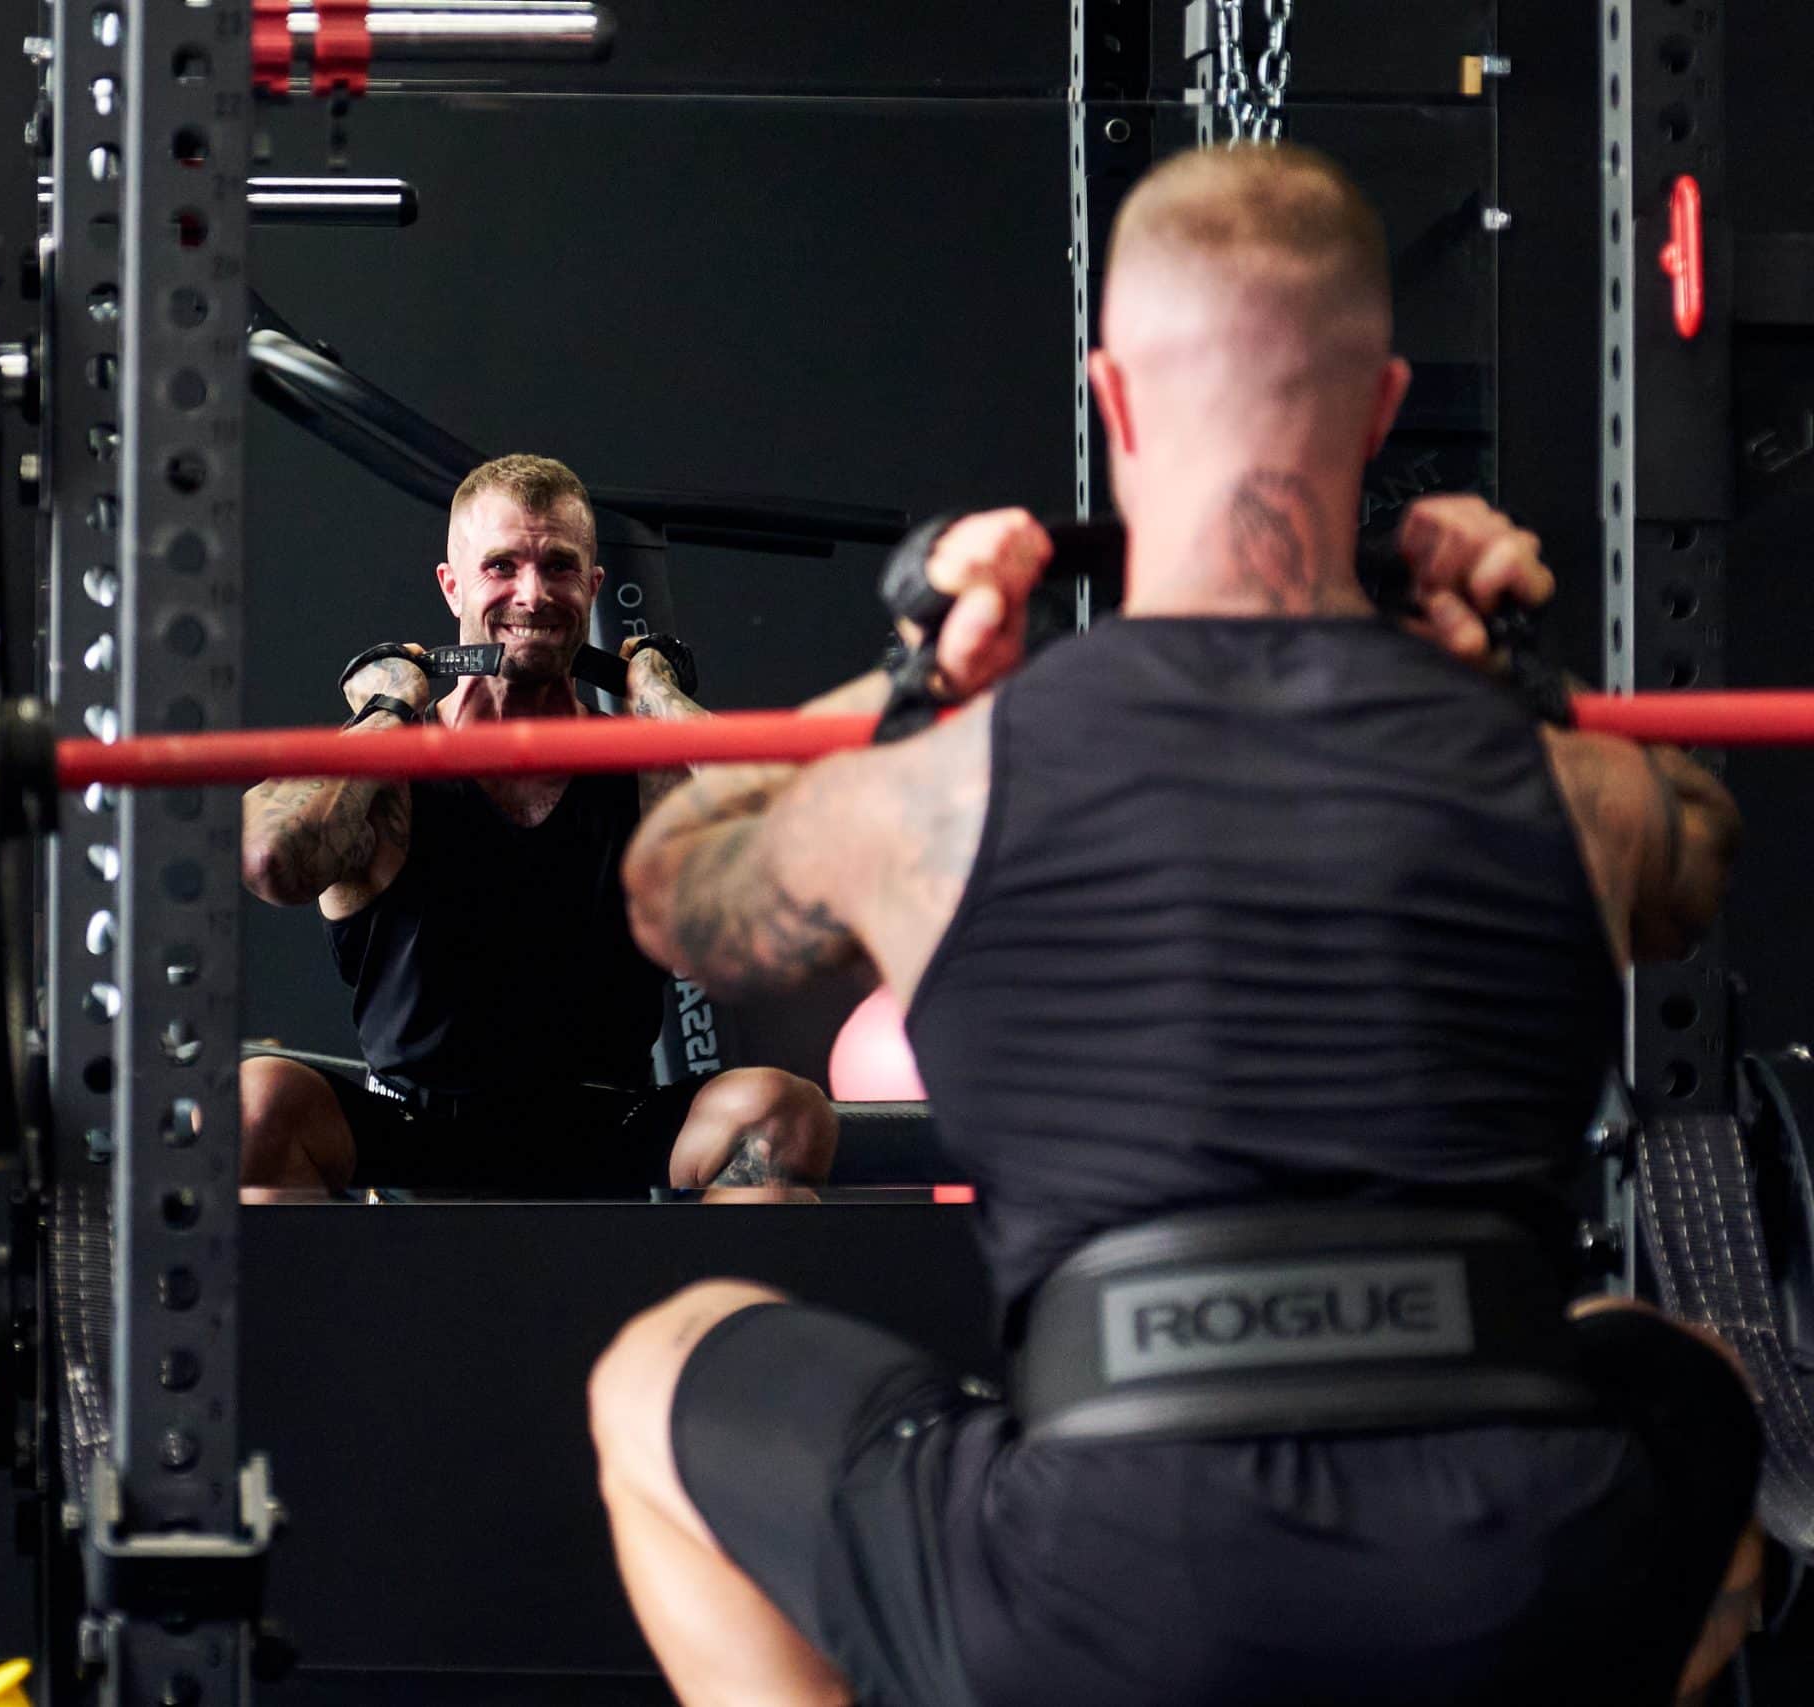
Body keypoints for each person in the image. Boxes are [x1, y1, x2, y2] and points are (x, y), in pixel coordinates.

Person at [588, 144, 1763, 1707]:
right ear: (1386, 407)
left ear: (1115, 401)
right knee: (1692, 1381)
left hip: (1100, 1594)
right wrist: (1507, 660)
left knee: (655, 1366)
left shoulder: (943, 785)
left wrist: (926, 669)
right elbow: (1691, 850)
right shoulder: (1572, 788)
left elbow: (673, 881)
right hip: (1508, 1566)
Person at [235, 453, 837, 1195]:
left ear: (590, 586)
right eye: (501, 566)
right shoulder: (390, 771)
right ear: (451, 586)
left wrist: (654, 694)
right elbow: (270, 859)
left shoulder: (646, 771)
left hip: (606, 1130)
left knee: (783, 1111)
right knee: (254, 1102)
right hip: (419, 1137)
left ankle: (706, 1313)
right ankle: (351, 1311)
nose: (532, 592)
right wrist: (386, 708)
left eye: (558, 565)